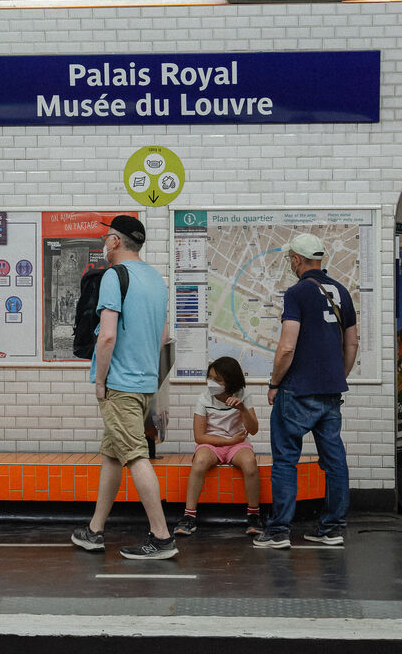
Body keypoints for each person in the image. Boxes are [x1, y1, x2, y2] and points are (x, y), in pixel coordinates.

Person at [71, 215, 175, 559]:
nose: (104, 243)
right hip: (145, 384)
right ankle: (94, 530)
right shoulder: (157, 280)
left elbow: (108, 335)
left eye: (106, 238)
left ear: (115, 242)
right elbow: (162, 338)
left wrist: (100, 381)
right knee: (113, 455)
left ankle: (161, 538)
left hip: (120, 385)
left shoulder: (115, 277)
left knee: (134, 456)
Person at [254, 233, 358, 550]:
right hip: (330, 392)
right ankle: (332, 528)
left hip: (297, 391)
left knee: (286, 461)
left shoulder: (297, 293)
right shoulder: (342, 292)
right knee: (334, 461)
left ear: (297, 260)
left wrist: (274, 384)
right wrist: (337, 376)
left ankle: (279, 532)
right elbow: (351, 343)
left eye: (290, 259)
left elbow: (287, 347)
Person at [173, 356, 262, 537]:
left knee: (250, 464)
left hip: (238, 445)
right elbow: (199, 437)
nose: (212, 383)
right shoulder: (204, 398)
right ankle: (189, 516)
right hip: (212, 443)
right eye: (210, 377)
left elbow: (253, 430)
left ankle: (254, 515)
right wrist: (229, 441)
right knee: (199, 462)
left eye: (218, 379)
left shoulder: (243, 395)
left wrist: (243, 409)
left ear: (230, 381)